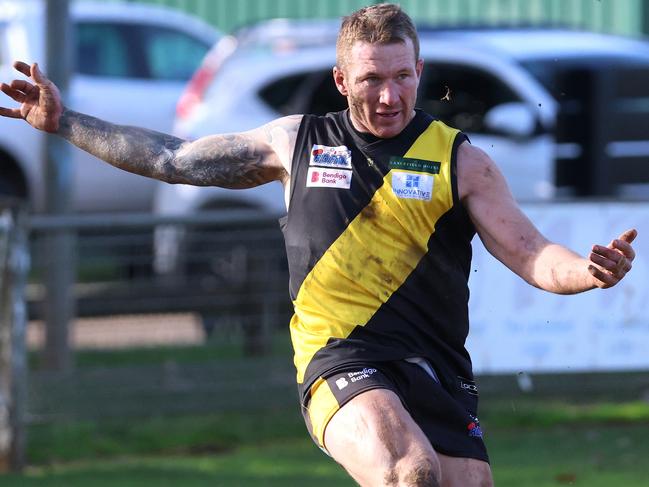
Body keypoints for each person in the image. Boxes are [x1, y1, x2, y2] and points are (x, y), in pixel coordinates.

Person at [0, 4, 637, 486]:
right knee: (410, 472)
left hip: (434, 366)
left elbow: (532, 253)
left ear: (420, 73)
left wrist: (588, 270)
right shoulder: (294, 143)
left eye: (402, 77)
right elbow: (174, 158)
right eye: (369, 80)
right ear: (340, 79)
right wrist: (64, 122)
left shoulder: (461, 162)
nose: (388, 96)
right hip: (340, 357)